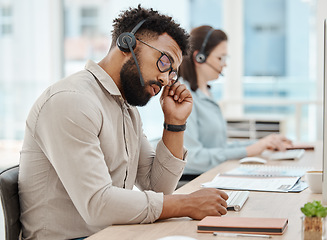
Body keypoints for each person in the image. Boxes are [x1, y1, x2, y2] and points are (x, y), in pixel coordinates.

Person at [18, 7, 228, 240]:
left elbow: (157, 189)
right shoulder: (71, 100)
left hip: (112, 234)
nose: (166, 78)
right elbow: (98, 204)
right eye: (165, 61)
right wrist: (186, 204)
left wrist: (174, 123)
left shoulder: (126, 109)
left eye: (173, 73)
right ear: (127, 43)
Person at [178, 25, 292, 176]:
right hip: (193, 181)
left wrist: (263, 143)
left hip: (212, 175)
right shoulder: (182, 95)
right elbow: (191, 158)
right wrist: (249, 150)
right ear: (199, 58)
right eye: (220, 58)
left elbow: (220, 148)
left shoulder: (206, 93)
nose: (224, 64)